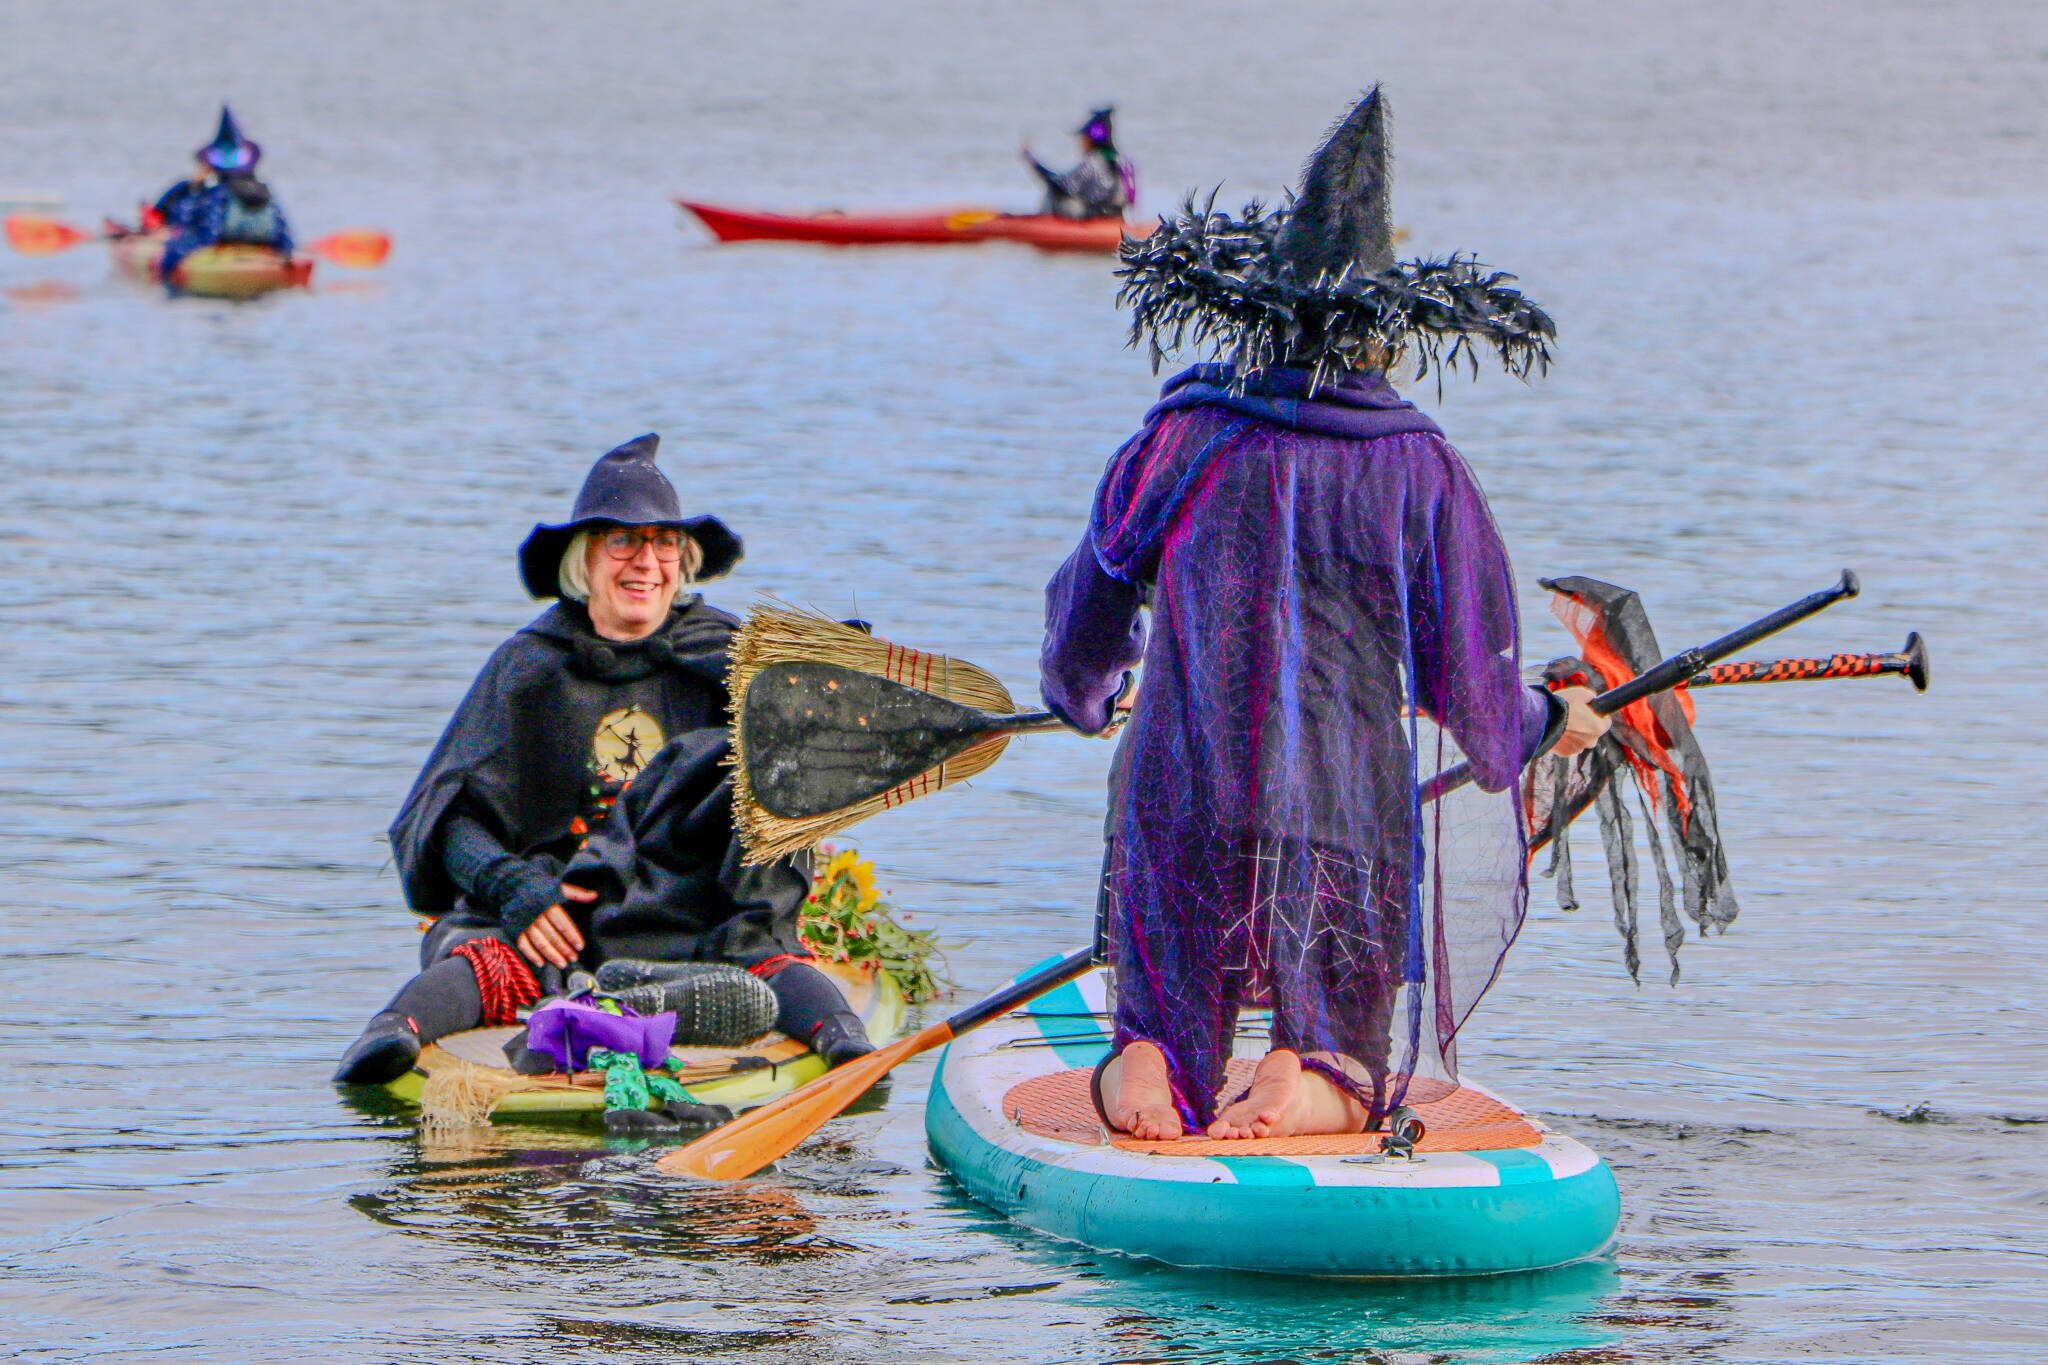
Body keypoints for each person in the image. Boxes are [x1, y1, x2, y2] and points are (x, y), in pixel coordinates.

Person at [1038, 87, 1608, 1143]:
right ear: (1377, 333)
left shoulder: (1183, 433)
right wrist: (1546, 721)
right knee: (1352, 1037)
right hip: (1343, 803)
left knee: (1162, 982)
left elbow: (1089, 608)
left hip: (1183, 778)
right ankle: (1313, 1079)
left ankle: (1149, 1060)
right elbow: (1469, 697)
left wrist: (1088, 696)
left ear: (1256, 307)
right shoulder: (1419, 467)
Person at [333, 434, 876, 1084]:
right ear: (583, 558)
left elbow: (808, 766)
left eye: (663, 542)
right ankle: (394, 1032)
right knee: (485, 962)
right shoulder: (527, 668)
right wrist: (518, 892)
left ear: (684, 560)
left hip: (693, 914)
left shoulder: (735, 657)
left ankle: (840, 1037)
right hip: (560, 918)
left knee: (759, 954)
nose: (645, 561)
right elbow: (449, 820)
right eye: (623, 540)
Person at [147, 107, 293, 283]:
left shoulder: (214, 194)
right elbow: (284, 236)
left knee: (176, 248)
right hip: (265, 247)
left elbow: (192, 225)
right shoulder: (265, 191)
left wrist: (194, 187)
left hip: (217, 248)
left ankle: (165, 281)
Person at [1022, 106, 1136, 221]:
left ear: (1092, 139)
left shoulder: (1093, 162)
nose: (1080, 142)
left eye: (1083, 138)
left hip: (1096, 216)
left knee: (1053, 196)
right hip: (1116, 216)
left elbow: (1062, 186)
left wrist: (1033, 162)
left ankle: (1040, 225)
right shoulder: (1119, 160)